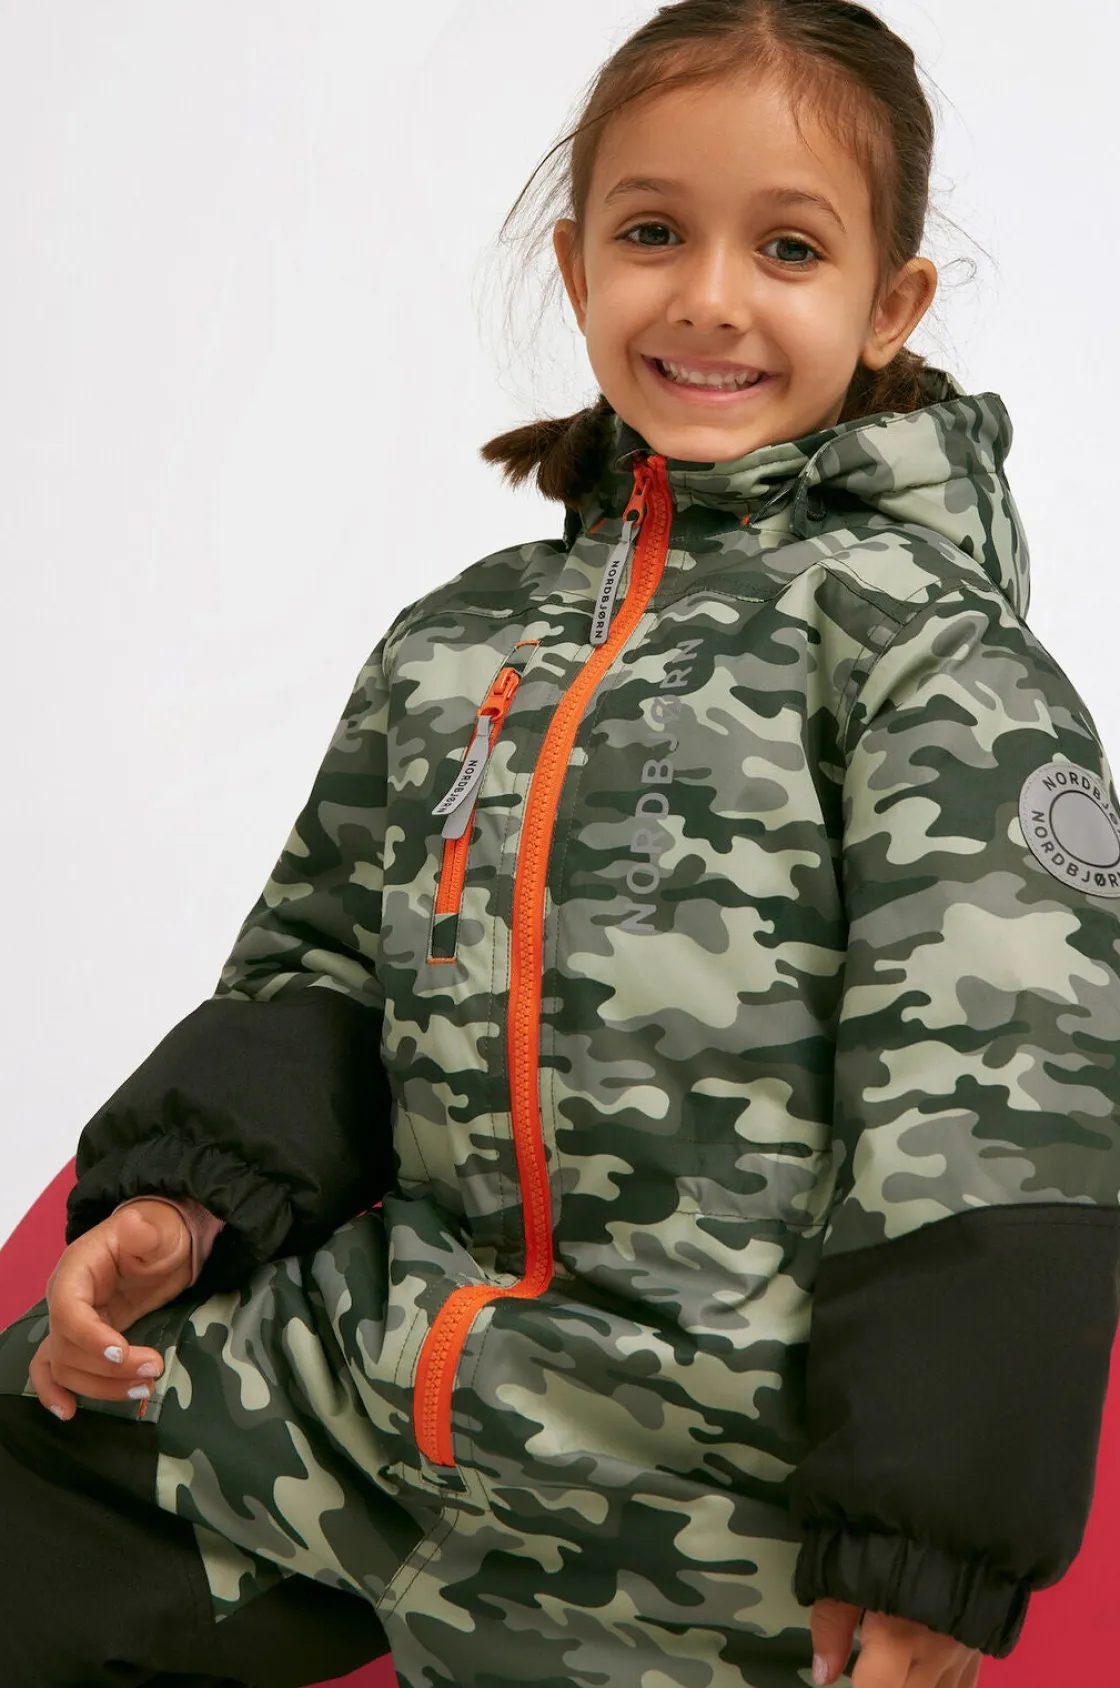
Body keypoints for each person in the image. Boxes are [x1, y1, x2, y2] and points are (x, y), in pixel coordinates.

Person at [1, 1, 1118, 1684]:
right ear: (576, 261)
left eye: (789, 247)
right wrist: (186, 1200)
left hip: (704, 1483)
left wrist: (927, 1541)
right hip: (386, 1388)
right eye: (654, 232)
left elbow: (997, 1120)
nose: (710, 297)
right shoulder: (462, 639)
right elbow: (321, 962)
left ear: (889, 305)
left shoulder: (927, 663)